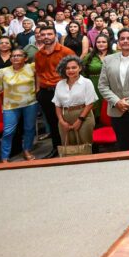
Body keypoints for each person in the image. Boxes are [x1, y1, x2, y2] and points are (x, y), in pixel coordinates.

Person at [0, 48, 38, 163]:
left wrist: (38, 88)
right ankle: (4, 157)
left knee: (29, 129)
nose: (15, 58)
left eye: (18, 55)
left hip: (30, 103)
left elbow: (41, 75)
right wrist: (1, 106)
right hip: (10, 106)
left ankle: (27, 150)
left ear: (25, 58)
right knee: (8, 131)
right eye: (13, 56)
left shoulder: (32, 67)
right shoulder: (3, 71)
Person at [34, 26, 74, 158]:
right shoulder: (38, 54)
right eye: (43, 34)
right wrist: (38, 91)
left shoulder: (66, 51)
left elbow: (75, 72)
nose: (46, 37)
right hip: (46, 93)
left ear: (55, 35)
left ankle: (71, 148)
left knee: (67, 120)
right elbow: (38, 73)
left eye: (49, 34)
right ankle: (56, 148)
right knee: (52, 122)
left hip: (63, 91)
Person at [53, 55, 97, 153]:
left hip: (84, 117)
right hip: (65, 118)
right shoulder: (60, 84)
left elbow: (90, 104)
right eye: (67, 68)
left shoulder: (87, 82)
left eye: (74, 67)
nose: (70, 70)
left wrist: (79, 120)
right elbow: (57, 105)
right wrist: (61, 121)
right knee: (68, 147)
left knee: (84, 146)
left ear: (80, 68)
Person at [83, 33, 112, 120]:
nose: (101, 44)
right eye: (98, 42)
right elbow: (83, 73)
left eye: (104, 42)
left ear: (108, 43)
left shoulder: (115, 55)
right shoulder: (89, 56)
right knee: (95, 109)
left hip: (111, 85)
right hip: (93, 85)